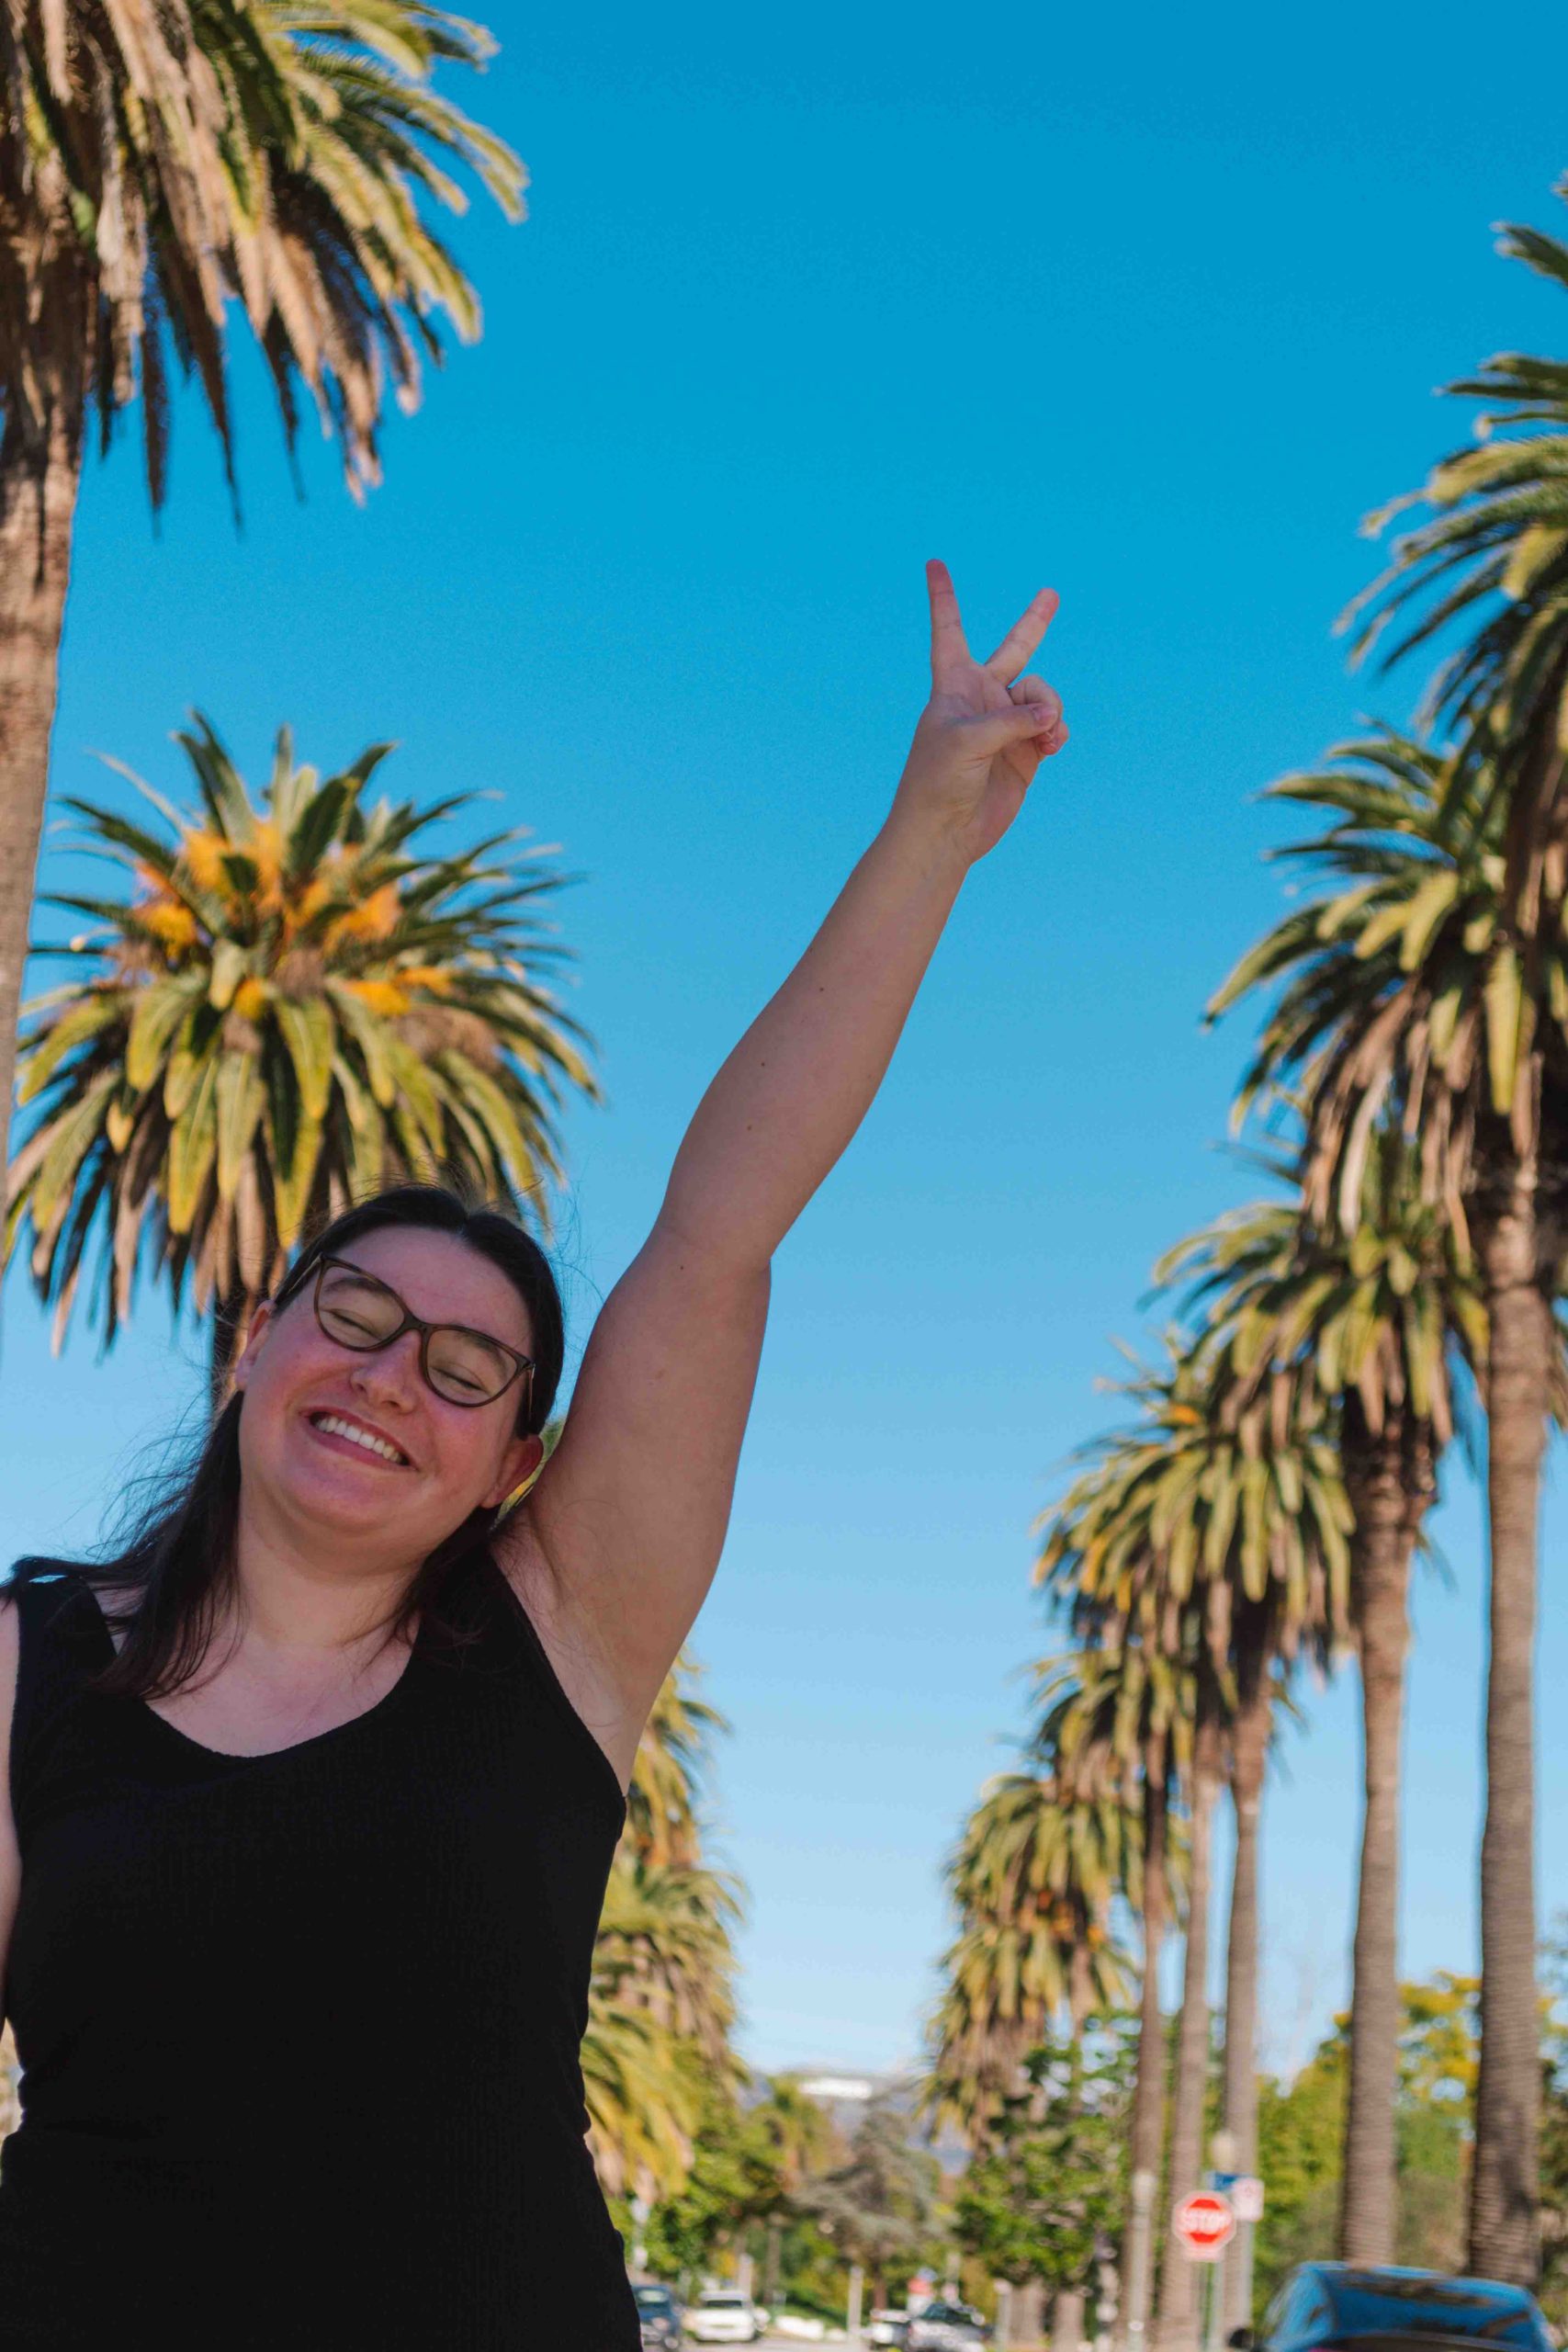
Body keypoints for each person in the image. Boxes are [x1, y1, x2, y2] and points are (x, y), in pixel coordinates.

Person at [0, 560, 1066, 2348]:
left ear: (514, 1458)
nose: (390, 1376)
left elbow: (723, 1224)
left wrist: (928, 832)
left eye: (465, 1362)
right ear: (258, 1339)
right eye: (351, 1314)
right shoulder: (34, 1665)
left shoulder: (559, 1634)